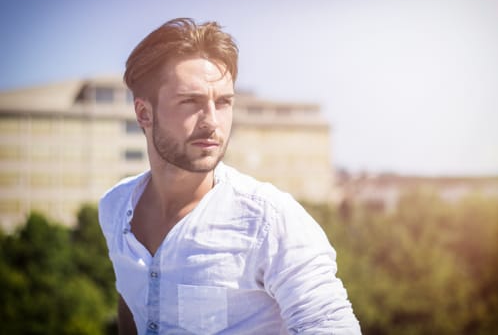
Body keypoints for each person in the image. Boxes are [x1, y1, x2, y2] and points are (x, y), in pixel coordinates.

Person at [98, 18, 361, 335]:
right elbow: (132, 300)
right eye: (190, 102)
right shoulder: (114, 208)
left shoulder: (270, 220)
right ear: (144, 113)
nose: (212, 122)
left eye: (223, 102)